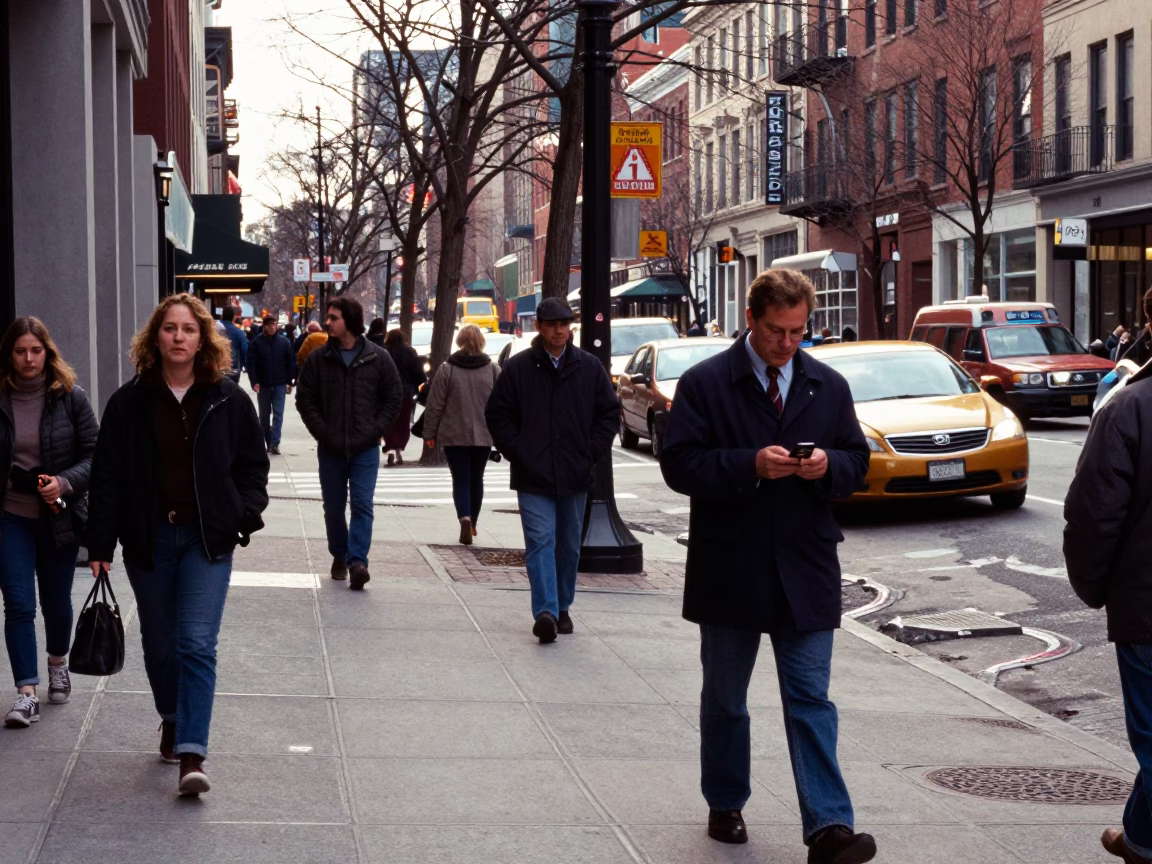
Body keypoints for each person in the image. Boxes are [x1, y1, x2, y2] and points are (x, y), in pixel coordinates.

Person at [659, 269, 875, 864]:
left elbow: (859, 462)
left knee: (811, 699)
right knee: (726, 697)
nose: (788, 343)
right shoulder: (706, 384)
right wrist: (750, 464)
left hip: (805, 566)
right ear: (752, 321)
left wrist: (828, 464)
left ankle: (829, 826)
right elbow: (679, 464)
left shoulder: (826, 385)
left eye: (799, 331)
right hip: (731, 563)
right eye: (778, 331)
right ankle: (726, 800)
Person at [87, 294, 269, 797]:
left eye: (188, 329)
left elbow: (253, 468)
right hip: (149, 538)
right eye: (170, 329)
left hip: (206, 540)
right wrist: (100, 542)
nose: (179, 337)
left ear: (203, 338)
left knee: (195, 641)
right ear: (155, 337)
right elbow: (107, 476)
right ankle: (171, 715)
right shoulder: (129, 402)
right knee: (160, 642)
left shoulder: (228, 399)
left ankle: (193, 751)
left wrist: (241, 513)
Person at [485, 297, 618, 643]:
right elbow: (498, 414)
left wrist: (590, 451)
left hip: (575, 472)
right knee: (540, 541)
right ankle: (545, 610)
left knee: (568, 544)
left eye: (564, 324)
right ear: (540, 327)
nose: (559, 331)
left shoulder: (589, 367)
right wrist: (518, 451)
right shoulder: (519, 368)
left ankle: (562, 607)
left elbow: (608, 413)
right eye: (552, 325)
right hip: (533, 473)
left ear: (570, 327)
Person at [1065, 359, 1152, 864]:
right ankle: (1140, 839)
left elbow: (1094, 514)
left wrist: (1096, 588)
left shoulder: (1128, 406)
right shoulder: (1127, 405)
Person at [0, 318, 99, 728]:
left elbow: (96, 456)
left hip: (58, 516)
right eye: (21, 351)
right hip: (11, 517)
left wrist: (63, 481)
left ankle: (58, 662)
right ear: (10, 354)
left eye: (36, 351)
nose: (28, 359)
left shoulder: (70, 398)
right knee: (19, 604)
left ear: (47, 352)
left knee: (57, 606)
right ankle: (26, 692)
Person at [296, 297, 402, 590]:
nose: (328, 322)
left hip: (365, 447)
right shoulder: (319, 358)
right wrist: (322, 432)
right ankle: (339, 555)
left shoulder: (378, 358)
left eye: (334, 318)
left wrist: (375, 430)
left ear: (351, 322)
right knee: (333, 507)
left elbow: (393, 398)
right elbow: (305, 400)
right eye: (328, 317)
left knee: (361, 503)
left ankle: (358, 562)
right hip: (330, 447)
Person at [422, 324, 500, 544]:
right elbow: (503, 403)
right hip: (484, 435)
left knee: (461, 479)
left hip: (454, 434)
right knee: (477, 478)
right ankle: (473, 522)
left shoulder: (448, 369)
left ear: (459, 341)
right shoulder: (493, 369)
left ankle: (463, 517)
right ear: (482, 343)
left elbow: (435, 404)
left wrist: (429, 433)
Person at [248, 315, 297, 456]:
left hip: (280, 383)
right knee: (263, 416)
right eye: (268, 325)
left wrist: (290, 382)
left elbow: (290, 363)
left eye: (273, 324)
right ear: (264, 326)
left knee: (278, 414)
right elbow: (252, 364)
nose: (271, 327)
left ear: (276, 325)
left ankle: (275, 443)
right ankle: (269, 441)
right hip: (263, 384)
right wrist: (254, 382)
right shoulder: (256, 343)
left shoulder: (284, 343)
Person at [382, 328, 426, 465]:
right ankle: (398, 448)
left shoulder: (383, 352)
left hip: (386, 392)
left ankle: (390, 446)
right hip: (405, 392)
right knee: (403, 421)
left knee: (388, 420)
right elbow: (418, 373)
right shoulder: (410, 353)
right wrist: (419, 385)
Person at [220, 305, 248, 384]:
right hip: (232, 370)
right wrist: (241, 365)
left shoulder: (213, 328)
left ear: (222, 315)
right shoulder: (239, 333)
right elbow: (244, 351)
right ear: (234, 317)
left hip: (214, 368)